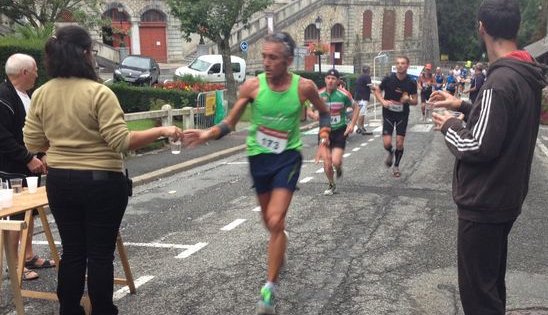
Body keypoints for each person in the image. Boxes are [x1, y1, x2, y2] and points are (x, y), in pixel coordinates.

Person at [24, 26, 183, 315]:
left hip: (59, 180)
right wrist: (163, 129)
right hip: (101, 181)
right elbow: (121, 140)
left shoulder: (41, 94)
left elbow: (33, 142)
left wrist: (63, 141)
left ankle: (69, 310)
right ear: (85, 54)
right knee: (99, 254)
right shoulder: (99, 93)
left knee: (72, 252)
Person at [182, 32, 330, 315]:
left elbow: (324, 113)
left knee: (276, 220)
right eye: (264, 56)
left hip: (287, 159)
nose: (266, 62)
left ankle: (269, 290)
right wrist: (206, 134)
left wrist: (323, 138)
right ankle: (279, 245)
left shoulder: (304, 87)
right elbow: (230, 123)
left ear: (288, 60)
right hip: (258, 159)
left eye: (273, 57)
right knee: (269, 222)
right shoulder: (252, 86)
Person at [430, 0, 547, 315]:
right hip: (505, 198)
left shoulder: (500, 80)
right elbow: (501, 125)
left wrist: (450, 125)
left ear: (481, 29)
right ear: (517, 27)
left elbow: (480, 145)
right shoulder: (524, 72)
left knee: (478, 297)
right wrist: (464, 107)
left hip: (485, 201)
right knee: (491, 286)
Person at [0, 53, 54, 282]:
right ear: (24, 72)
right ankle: (15, 265)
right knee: (14, 218)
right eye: (34, 70)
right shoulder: (3, 96)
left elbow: (32, 131)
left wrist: (41, 154)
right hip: (10, 168)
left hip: (27, 166)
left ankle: (28, 255)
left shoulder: (26, 95)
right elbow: (3, 136)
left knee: (30, 213)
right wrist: (27, 158)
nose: (37, 73)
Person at [307, 68, 359, 195]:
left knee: (336, 161)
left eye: (333, 79)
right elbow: (308, 109)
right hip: (324, 131)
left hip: (339, 130)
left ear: (338, 81)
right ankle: (331, 184)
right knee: (327, 163)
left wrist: (352, 124)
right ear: (325, 80)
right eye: (328, 78)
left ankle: (339, 167)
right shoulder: (318, 94)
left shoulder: (344, 94)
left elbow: (356, 107)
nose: (330, 81)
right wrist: (314, 115)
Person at [373, 56, 418, 178]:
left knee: (399, 143)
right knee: (387, 143)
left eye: (403, 63)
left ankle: (396, 165)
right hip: (388, 113)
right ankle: (390, 152)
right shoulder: (388, 79)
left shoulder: (411, 82)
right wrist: (383, 101)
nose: (400, 65)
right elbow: (377, 90)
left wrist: (408, 100)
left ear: (407, 65)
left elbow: (416, 101)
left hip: (402, 115)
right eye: (398, 63)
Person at [354, 65, 372, 134]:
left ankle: (362, 126)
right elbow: (369, 86)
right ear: (368, 70)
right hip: (363, 97)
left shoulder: (360, 76)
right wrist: (375, 89)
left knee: (363, 112)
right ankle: (359, 128)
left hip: (358, 96)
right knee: (361, 112)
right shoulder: (367, 76)